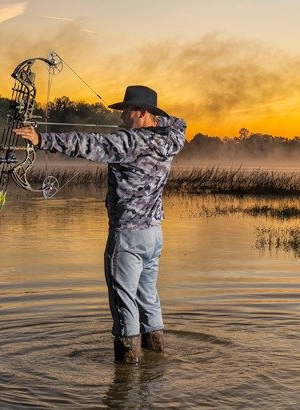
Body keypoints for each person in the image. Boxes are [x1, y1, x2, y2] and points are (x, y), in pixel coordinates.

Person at [13, 85, 186, 363]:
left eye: (126, 111)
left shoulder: (130, 142)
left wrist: (41, 139)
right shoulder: (171, 137)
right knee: (148, 298)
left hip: (128, 236)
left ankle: (127, 373)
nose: (121, 117)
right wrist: (155, 121)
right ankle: (156, 361)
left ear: (141, 112)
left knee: (124, 305)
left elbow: (89, 144)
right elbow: (179, 122)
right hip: (154, 234)